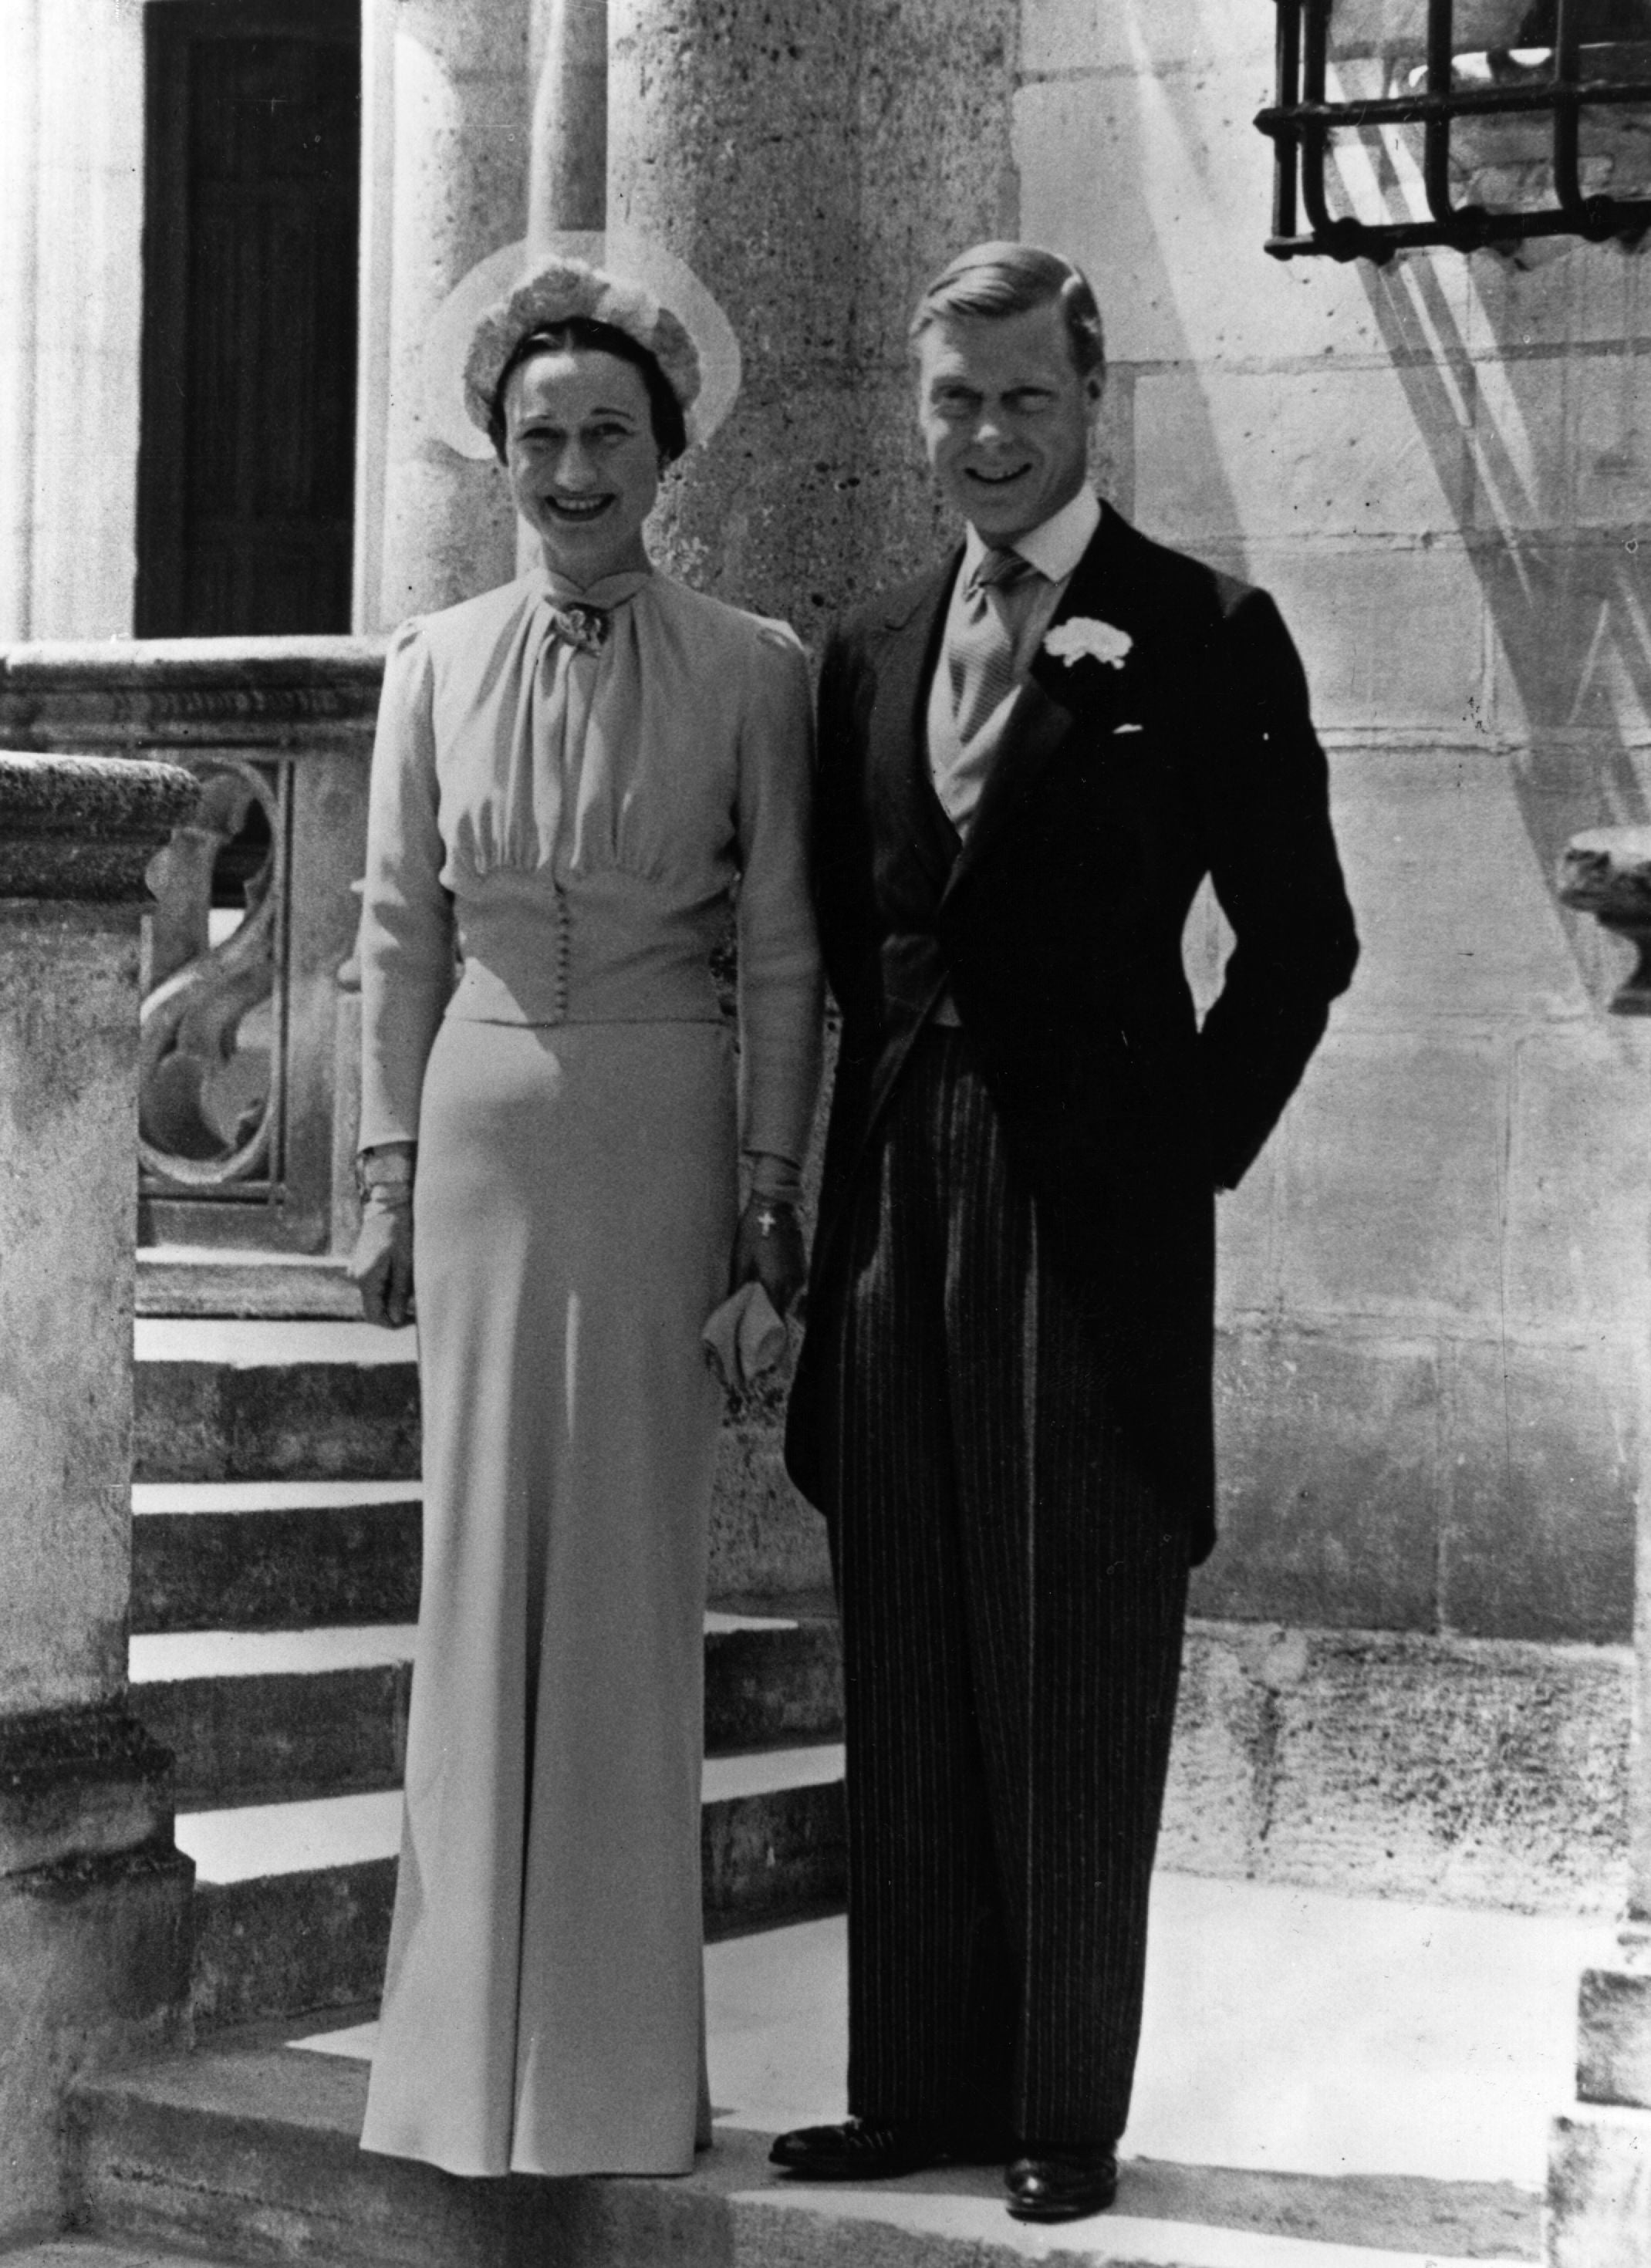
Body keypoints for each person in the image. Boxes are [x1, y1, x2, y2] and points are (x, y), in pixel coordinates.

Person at [775, 241, 1358, 2224]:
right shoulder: (863, 645)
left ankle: (1056, 2108)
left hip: (1086, 1218)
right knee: (912, 1628)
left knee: (1073, 1647)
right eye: (956, 400)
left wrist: (1170, 1150)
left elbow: (1300, 943)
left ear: (1090, 400)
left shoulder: (1199, 628)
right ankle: (919, 2085)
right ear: (918, 406)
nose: (990, 437)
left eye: (1024, 398)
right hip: (894, 1190)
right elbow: (864, 942)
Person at [348, 252, 822, 2179]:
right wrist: (380, 1172)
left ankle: (614, 2081)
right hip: (472, 1139)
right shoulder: (428, 665)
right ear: (495, 455)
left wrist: (769, 1213)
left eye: (604, 435)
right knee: (474, 1585)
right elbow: (389, 937)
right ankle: (455, 2077)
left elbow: (785, 951)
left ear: (665, 456)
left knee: (624, 1596)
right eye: (535, 436)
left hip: (656, 1141)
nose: (567, 469)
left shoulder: (754, 668)